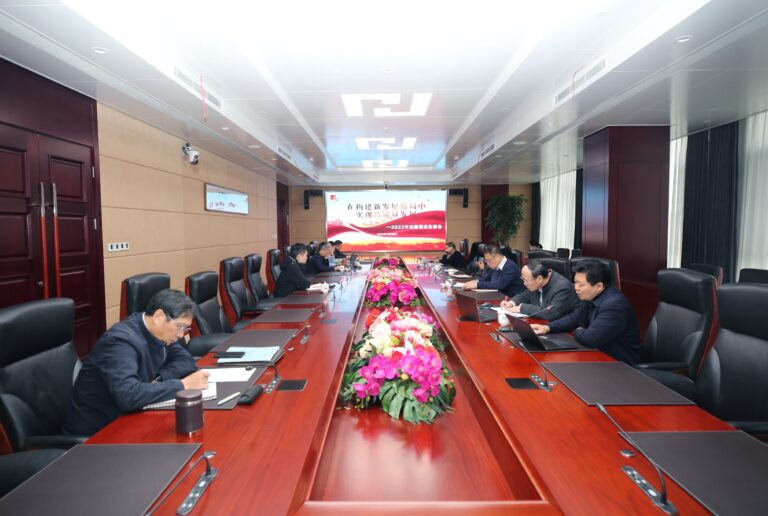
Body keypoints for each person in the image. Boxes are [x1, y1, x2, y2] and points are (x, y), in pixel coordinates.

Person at [64, 290, 209, 436]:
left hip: (129, 419)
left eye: (185, 329)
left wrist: (159, 379)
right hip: (98, 432)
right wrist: (183, 385)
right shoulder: (120, 341)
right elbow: (127, 396)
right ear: (158, 317)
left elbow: (186, 361)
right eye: (180, 327)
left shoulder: (160, 335)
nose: (181, 335)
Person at [530, 260, 641, 364]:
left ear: (599, 286)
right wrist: (547, 327)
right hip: (597, 356)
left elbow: (590, 339)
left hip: (619, 364)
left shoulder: (614, 306)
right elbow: (574, 318)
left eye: (581, 285)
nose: (576, 288)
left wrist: (578, 331)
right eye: (575, 282)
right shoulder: (591, 296)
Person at [500, 259, 578, 320]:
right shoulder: (537, 283)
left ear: (539, 279)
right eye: (522, 279)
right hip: (540, 324)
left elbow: (551, 313)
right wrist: (511, 303)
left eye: (525, 280)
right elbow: (524, 295)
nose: (524, 283)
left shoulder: (562, 287)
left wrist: (522, 308)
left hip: (562, 331)